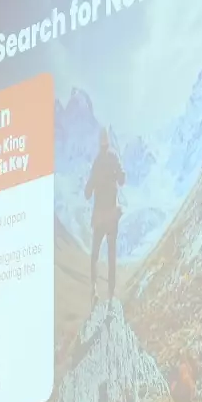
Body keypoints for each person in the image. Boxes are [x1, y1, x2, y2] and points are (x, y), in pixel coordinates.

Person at [85, 128, 126, 307]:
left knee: (94, 253)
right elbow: (122, 179)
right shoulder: (113, 158)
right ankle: (111, 294)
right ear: (108, 142)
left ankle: (94, 289)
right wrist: (117, 176)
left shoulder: (96, 163)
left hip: (99, 217)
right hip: (111, 216)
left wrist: (92, 186)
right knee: (111, 255)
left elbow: (87, 192)